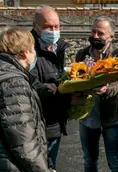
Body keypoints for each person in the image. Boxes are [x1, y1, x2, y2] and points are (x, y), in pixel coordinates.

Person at [75, 16, 118, 172]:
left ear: (111, 37)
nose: (95, 36)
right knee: (89, 161)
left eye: (100, 33)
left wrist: (106, 90)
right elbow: (77, 77)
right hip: (88, 118)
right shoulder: (82, 54)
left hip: (111, 117)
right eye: (93, 32)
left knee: (115, 161)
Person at [0, 28, 55, 172]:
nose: (35, 53)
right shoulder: (14, 83)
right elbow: (23, 141)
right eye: (33, 49)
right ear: (25, 52)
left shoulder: (5, 72)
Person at [30, 6, 71, 169]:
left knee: (51, 165)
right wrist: (64, 94)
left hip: (54, 123)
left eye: (57, 27)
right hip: (37, 127)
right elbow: (33, 86)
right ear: (36, 26)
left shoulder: (58, 47)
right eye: (48, 27)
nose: (53, 31)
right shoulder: (28, 50)